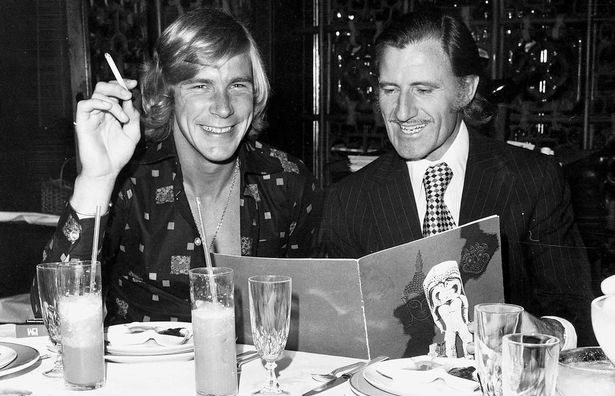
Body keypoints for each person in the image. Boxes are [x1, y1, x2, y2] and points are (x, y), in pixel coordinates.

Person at [321, 6, 595, 351]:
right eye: (390, 90)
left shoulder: (533, 180)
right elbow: (336, 337)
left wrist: (539, 331)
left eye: (423, 90)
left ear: (465, 90)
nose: (402, 112)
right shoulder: (348, 200)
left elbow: (576, 318)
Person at [32, 8, 321, 325]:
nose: (223, 108)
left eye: (238, 85)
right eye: (200, 86)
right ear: (166, 94)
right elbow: (53, 315)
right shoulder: (130, 182)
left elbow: (317, 313)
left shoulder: (287, 182)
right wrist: (96, 178)